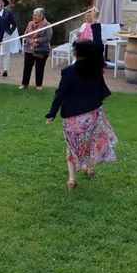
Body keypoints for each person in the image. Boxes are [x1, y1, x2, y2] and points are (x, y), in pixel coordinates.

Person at [45, 40, 117, 189]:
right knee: (90, 142)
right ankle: (88, 168)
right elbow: (99, 48)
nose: (73, 51)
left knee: (72, 146)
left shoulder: (69, 72)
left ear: (78, 52)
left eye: (74, 49)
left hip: (73, 117)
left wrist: (52, 113)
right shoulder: (97, 69)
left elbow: (60, 94)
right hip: (93, 114)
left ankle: (72, 178)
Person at [20, 8, 52, 91]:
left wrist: (36, 40)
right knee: (27, 67)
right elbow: (26, 34)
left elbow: (48, 37)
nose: (34, 16)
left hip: (41, 50)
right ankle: (24, 84)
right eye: (33, 15)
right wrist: (30, 41)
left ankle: (39, 85)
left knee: (39, 67)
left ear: (41, 16)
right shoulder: (30, 23)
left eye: (36, 15)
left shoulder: (47, 25)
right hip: (29, 49)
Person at [0, 0, 19, 77]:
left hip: (5, 34)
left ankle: (5, 70)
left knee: (6, 52)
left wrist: (10, 32)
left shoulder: (8, 12)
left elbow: (14, 24)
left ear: (3, 3)